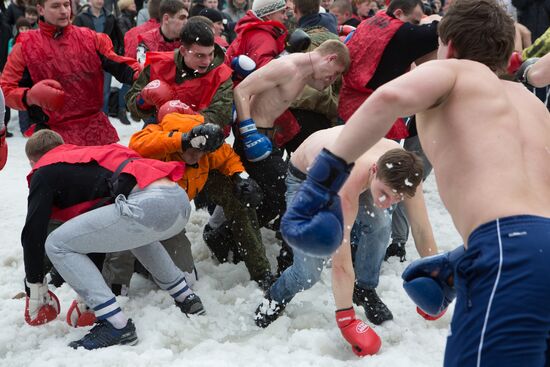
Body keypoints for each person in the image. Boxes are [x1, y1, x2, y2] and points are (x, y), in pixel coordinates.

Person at [281, 0, 550, 365]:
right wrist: (461, 260)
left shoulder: (454, 72)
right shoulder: (530, 103)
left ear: (449, 46)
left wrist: (321, 184)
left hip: (509, 249)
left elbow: (388, 97)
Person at [22, 129, 206, 350]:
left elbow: (33, 233)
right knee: (133, 235)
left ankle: (115, 325)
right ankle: (187, 298)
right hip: (178, 201)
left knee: (56, 244)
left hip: (147, 203)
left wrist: (34, 283)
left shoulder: (45, 170)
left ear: (34, 161)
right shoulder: (89, 157)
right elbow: (97, 237)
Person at [255, 128, 437, 331]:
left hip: (355, 166)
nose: (387, 203)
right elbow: (340, 261)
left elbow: (422, 230)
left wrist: (437, 281)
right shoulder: (342, 181)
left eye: (397, 198)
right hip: (309, 179)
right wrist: (346, 319)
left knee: (381, 222)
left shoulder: (408, 172)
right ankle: (274, 298)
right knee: (307, 273)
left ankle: (364, 288)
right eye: (385, 194)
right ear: (375, 170)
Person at [103, 103, 276, 290]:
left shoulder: (206, 147)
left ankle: (260, 271)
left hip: (173, 218)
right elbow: (138, 144)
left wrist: (240, 176)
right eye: (190, 147)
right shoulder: (155, 139)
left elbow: (227, 157)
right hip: (140, 217)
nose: (196, 154)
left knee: (185, 280)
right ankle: (127, 274)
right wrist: (183, 140)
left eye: (200, 148)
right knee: (124, 249)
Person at [0, 0, 141, 146]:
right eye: (56, 6)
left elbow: (118, 64)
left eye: (66, 5)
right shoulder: (25, 46)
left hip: (95, 131)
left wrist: (141, 74)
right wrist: (29, 97)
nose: (63, 11)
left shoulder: (90, 38)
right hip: (53, 136)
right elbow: (6, 90)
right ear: (40, 10)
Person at [126, 17, 232, 127]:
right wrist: (143, 100)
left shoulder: (222, 74)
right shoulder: (159, 65)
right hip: (161, 131)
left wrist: (184, 117)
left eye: (210, 54)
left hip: (204, 136)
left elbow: (221, 116)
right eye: (200, 55)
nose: (207, 61)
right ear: (183, 51)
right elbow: (132, 101)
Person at [135, 0, 188, 65]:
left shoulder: (187, 40)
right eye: (182, 18)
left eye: (187, 18)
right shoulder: (146, 41)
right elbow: (143, 71)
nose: (186, 22)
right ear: (166, 19)